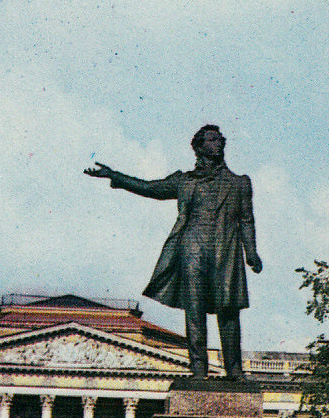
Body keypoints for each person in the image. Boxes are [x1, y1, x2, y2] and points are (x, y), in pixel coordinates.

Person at [85, 125, 262, 379]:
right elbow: (151, 188)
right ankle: (198, 369)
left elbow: (246, 219)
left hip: (226, 252)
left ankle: (234, 370)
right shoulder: (185, 181)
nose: (219, 142)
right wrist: (115, 175)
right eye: (212, 139)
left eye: (220, 139)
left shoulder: (239, 183)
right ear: (199, 147)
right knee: (195, 310)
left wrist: (251, 252)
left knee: (229, 311)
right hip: (192, 249)